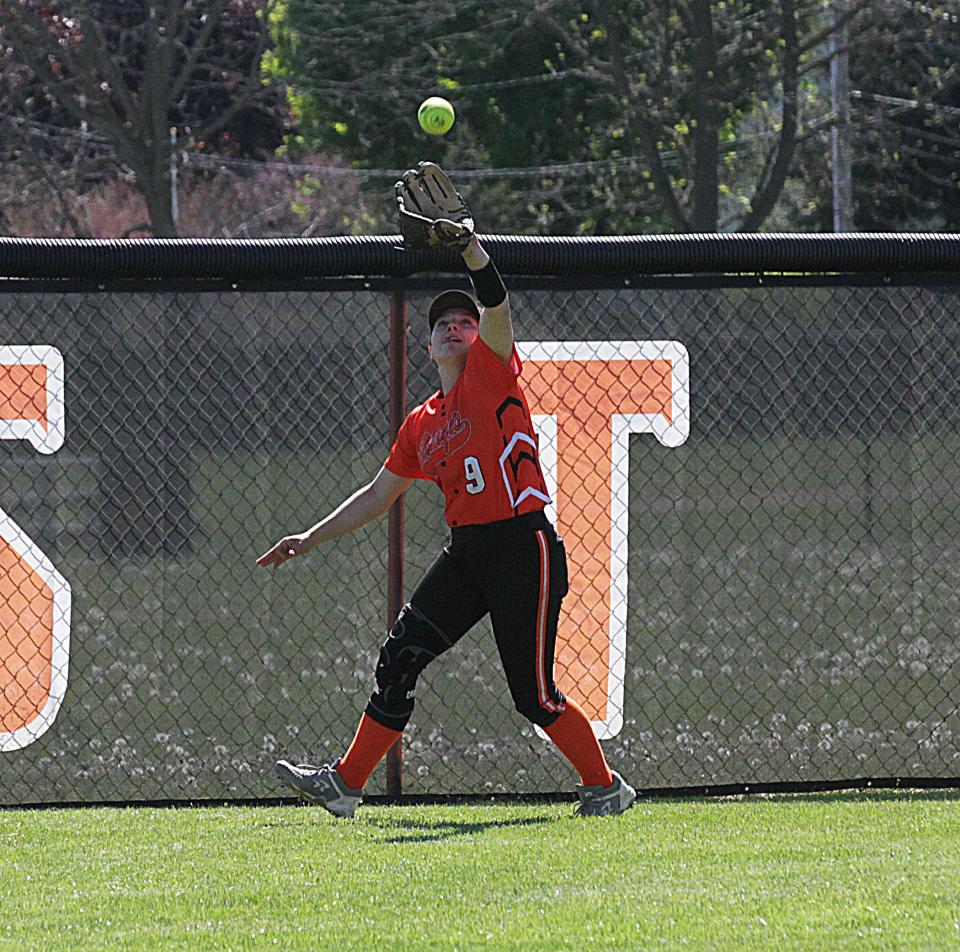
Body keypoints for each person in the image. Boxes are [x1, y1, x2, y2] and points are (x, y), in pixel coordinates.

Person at [257, 181, 635, 819]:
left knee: (534, 696)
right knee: (400, 654)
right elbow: (380, 495)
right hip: (468, 554)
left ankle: (605, 787)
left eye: (464, 321)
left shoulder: (492, 372)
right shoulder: (421, 423)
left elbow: (498, 303)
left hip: (524, 546)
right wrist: (309, 537)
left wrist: (472, 252)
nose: (456, 327)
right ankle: (346, 785)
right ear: (429, 346)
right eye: (443, 325)